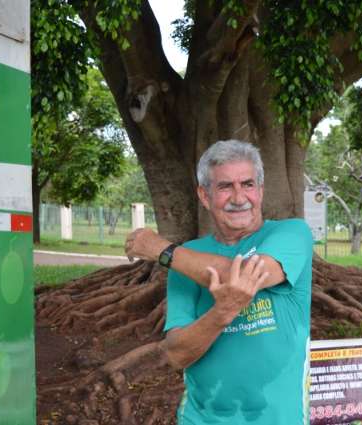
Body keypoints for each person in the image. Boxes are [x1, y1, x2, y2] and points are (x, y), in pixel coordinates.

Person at [124, 139, 314, 424]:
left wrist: (162, 250)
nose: (239, 198)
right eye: (225, 187)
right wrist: (222, 313)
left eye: (248, 184)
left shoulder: (293, 233)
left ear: (261, 191)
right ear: (204, 196)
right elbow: (176, 354)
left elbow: (250, 273)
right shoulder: (188, 259)